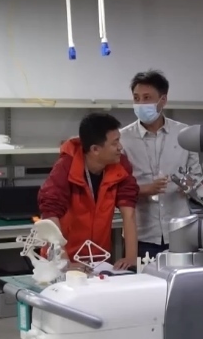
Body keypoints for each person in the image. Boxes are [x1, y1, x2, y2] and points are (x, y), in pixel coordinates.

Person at [120, 70, 203, 257]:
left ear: (163, 100)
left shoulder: (184, 134)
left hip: (180, 232)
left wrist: (191, 185)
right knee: (142, 276)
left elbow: (197, 176)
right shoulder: (123, 139)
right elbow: (117, 187)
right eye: (136, 98)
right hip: (141, 234)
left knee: (183, 276)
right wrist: (145, 189)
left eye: (147, 98)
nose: (140, 104)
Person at [38, 113, 139, 269]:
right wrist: (64, 262)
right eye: (115, 143)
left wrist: (131, 258)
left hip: (98, 259)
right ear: (95, 149)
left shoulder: (121, 165)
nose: (120, 147)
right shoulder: (66, 166)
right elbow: (50, 215)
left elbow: (129, 212)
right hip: (62, 259)